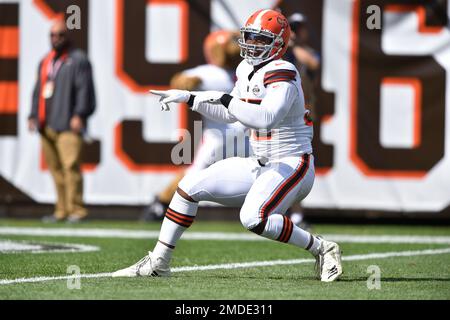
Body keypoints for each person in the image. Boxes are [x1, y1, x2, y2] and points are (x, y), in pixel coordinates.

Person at [113, 9, 342, 282]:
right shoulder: (246, 69)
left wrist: (223, 98)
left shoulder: (284, 71)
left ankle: (323, 248)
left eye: (260, 39)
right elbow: (231, 112)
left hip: (293, 163)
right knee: (188, 186)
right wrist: (189, 98)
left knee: (253, 218)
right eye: (250, 37)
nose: (252, 44)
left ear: (278, 43)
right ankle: (158, 262)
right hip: (261, 163)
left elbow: (265, 117)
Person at [142, 30, 248, 221]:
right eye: (233, 42)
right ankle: (161, 204)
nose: (238, 46)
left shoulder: (245, 71)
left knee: (270, 169)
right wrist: (188, 82)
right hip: (218, 136)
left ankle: (285, 211)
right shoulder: (209, 72)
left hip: (246, 135)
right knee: (193, 174)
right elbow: (179, 80)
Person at [28, 19, 96, 223]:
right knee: (56, 169)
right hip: (46, 123)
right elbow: (38, 89)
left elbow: (85, 89)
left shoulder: (78, 59)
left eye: (60, 35)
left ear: (68, 37)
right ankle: (61, 210)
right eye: (52, 35)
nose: (55, 39)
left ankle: (76, 210)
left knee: (71, 166)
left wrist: (80, 114)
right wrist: (33, 115)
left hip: (68, 122)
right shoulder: (46, 61)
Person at [283, 12, 321, 228]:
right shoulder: (281, 53)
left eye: (298, 27)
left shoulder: (305, 52)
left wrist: (292, 43)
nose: (296, 31)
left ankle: (296, 213)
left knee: (299, 163)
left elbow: (313, 64)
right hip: (279, 115)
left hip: (302, 116)